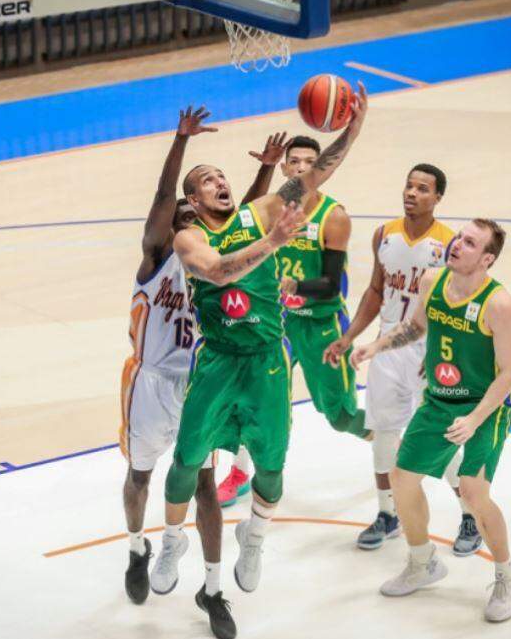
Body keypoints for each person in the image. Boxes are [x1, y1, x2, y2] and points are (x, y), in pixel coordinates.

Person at [154, 85, 369, 639]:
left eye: (222, 176)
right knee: (186, 461)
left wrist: (352, 127)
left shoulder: (261, 210)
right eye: (207, 181)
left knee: (271, 468)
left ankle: (255, 537)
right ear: (194, 201)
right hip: (219, 362)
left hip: (269, 362)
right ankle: (172, 542)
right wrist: (273, 243)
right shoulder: (188, 238)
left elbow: (317, 173)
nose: (220, 182)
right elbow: (221, 272)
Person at [121, 107, 284, 606]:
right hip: (150, 381)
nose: (193, 217)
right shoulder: (159, 253)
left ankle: (212, 587)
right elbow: (161, 198)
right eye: (185, 210)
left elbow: (244, 219)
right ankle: (136, 549)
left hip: (201, 376)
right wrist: (180, 141)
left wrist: (266, 170)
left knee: (204, 483)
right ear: (178, 213)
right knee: (141, 475)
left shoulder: (217, 250)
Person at [351, 219, 511, 621]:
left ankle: (505, 576)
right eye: (459, 237)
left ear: (487, 259)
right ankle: (422, 561)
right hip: (440, 399)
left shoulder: (500, 304)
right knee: (402, 477)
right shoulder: (432, 280)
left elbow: (509, 374)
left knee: (474, 493)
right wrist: (377, 344)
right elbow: (416, 327)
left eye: (470, 242)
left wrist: (476, 419)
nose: (457, 244)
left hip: (487, 405)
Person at [324, 165, 480, 555]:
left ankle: (471, 514)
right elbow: (376, 291)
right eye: (408, 185)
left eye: (422, 188)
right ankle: (387, 513)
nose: (411, 193)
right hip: (387, 347)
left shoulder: (450, 244)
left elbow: (458, 304)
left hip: (430, 349)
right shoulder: (385, 234)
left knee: (440, 437)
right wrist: (349, 336)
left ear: (438, 197)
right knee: (384, 435)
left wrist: (448, 350)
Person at [217, 135, 368, 507]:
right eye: (294, 161)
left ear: (320, 170)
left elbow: (333, 287)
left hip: (322, 326)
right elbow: (241, 221)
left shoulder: (333, 217)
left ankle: (392, 439)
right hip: (278, 324)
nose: (301, 168)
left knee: (342, 417)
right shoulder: (269, 214)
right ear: (285, 169)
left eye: (309, 162)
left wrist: (296, 285)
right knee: (259, 403)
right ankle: (240, 472)